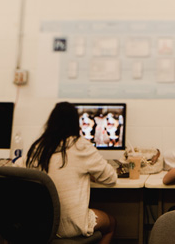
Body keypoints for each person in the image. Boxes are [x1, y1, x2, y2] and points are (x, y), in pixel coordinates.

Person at [26, 102, 117, 243]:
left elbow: (17, 170)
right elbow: (111, 178)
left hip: (39, 225)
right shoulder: (80, 146)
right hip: (69, 227)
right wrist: (91, 174)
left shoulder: (38, 147)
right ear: (76, 123)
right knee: (111, 223)